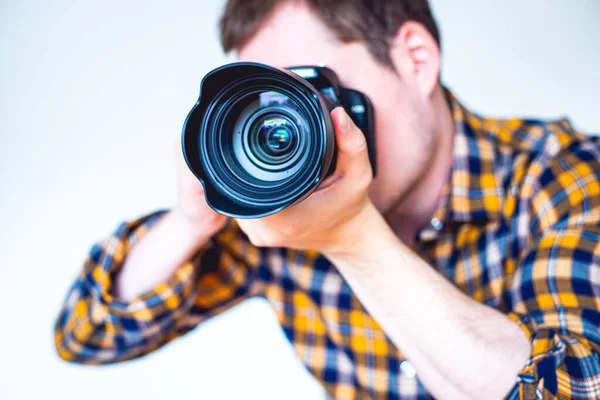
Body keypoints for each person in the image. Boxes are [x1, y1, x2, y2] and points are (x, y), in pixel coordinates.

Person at [54, 1, 600, 399]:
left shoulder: (559, 175)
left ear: (415, 58)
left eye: (312, 89)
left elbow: (572, 388)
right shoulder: (276, 223)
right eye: (270, 102)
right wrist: (192, 219)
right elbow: (86, 333)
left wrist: (351, 238)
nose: (292, 127)